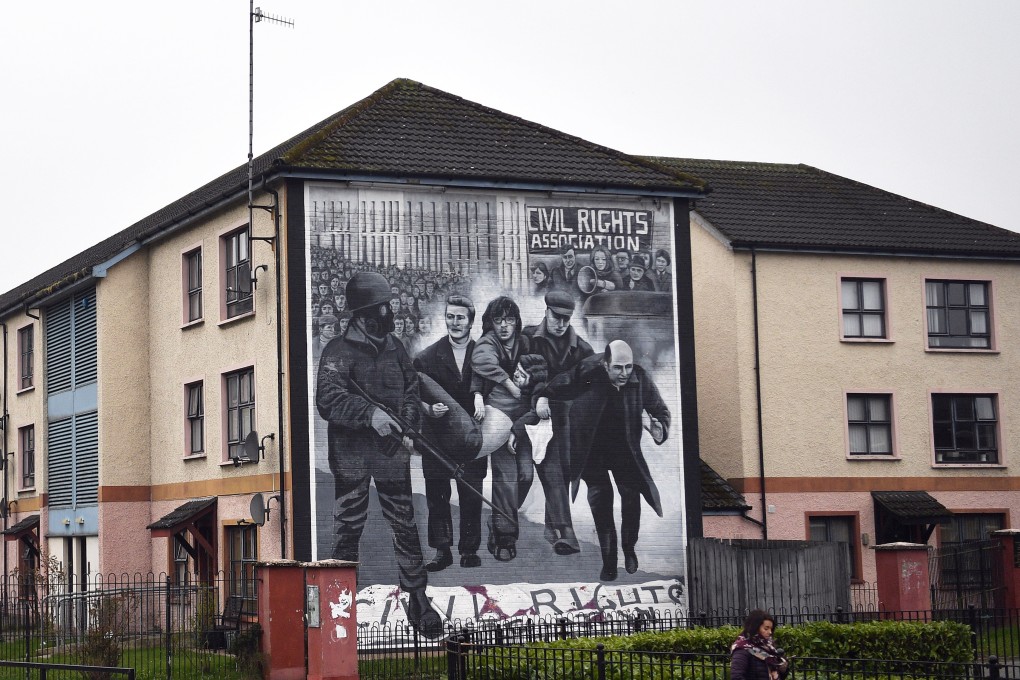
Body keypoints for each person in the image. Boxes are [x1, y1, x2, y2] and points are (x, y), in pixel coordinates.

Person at [315, 271, 442, 638]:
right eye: (384, 307)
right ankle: (339, 601)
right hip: (352, 457)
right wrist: (370, 414)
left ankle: (417, 597)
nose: (391, 313)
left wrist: (407, 426)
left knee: (404, 524)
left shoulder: (394, 347)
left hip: (390, 455)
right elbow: (328, 398)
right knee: (348, 526)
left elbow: (411, 389)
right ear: (366, 313)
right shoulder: (337, 351)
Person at [539, 340, 669, 581]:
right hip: (592, 451)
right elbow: (560, 383)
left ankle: (629, 548)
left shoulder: (639, 379)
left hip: (624, 451)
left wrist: (658, 428)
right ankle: (609, 563)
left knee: (631, 499)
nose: (624, 373)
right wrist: (543, 398)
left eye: (628, 367)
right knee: (601, 503)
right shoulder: (588, 371)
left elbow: (660, 410)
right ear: (605, 364)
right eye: (618, 367)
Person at [413, 295, 487, 571]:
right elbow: (411, 398)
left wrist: (481, 397)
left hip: (471, 440)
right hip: (437, 439)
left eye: (460, 318)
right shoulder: (426, 358)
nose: (454, 323)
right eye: (450, 317)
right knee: (437, 496)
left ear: (471, 321)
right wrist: (429, 409)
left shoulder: (484, 356)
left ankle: (469, 550)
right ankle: (442, 551)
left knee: (471, 495)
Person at [523, 290, 594, 556]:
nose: (562, 323)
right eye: (557, 317)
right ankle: (566, 533)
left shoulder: (582, 349)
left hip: (565, 423)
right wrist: (537, 398)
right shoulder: (527, 339)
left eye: (567, 318)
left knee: (561, 473)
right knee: (552, 472)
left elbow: (590, 387)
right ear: (546, 312)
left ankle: (553, 528)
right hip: (530, 418)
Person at [470, 296, 531, 562]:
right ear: (491, 323)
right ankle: (505, 537)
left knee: (525, 476)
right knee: (506, 478)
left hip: (525, 420)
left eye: (509, 319)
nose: (504, 325)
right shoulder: (488, 342)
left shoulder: (525, 343)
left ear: (517, 322)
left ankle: (500, 517)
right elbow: (481, 360)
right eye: (498, 320)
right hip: (499, 417)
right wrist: (509, 384)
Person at [731, 610, 789, 680]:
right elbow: (737, 676)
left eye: (771, 629)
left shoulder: (769, 647)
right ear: (755, 628)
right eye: (766, 628)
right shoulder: (742, 649)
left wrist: (782, 670)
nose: (770, 632)